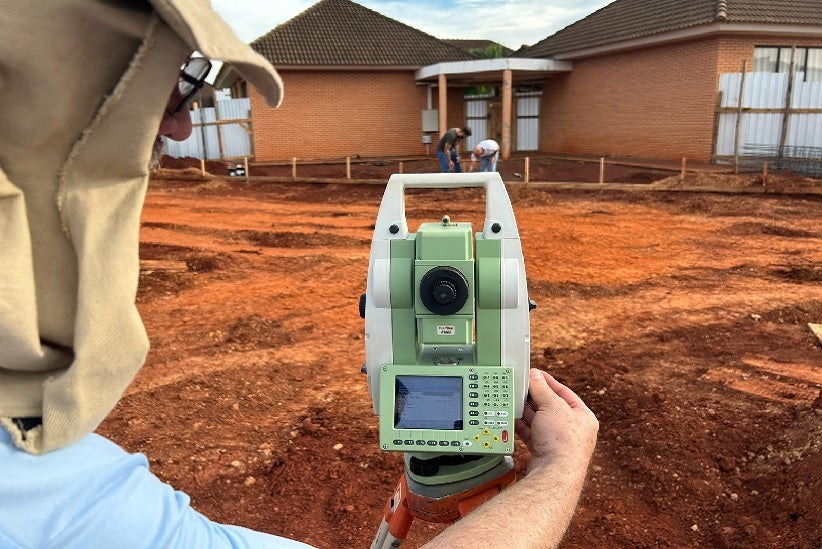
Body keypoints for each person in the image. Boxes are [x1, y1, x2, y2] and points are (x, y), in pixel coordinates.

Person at [0, 1, 598, 547]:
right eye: (178, 88)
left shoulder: (47, 478)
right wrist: (560, 468)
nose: (181, 128)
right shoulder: (46, 497)